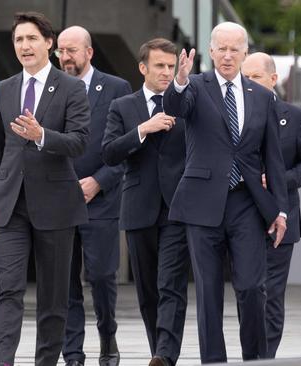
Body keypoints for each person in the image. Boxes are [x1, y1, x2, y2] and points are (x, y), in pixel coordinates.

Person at [163, 22, 288, 363]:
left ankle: (256, 359)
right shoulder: (194, 87)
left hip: (247, 202)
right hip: (202, 202)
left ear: (245, 52)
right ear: (212, 50)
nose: (228, 55)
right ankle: (213, 362)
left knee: (250, 287)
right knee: (208, 293)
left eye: (236, 49)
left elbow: (273, 158)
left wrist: (280, 210)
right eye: (222, 48)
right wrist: (179, 79)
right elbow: (175, 106)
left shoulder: (261, 96)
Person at [0, 11, 90, 366]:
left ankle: (45, 362)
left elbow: (79, 142)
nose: (24, 46)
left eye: (31, 39)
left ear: (49, 43)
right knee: (8, 289)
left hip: (56, 206)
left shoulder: (72, 87)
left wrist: (41, 135)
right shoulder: (6, 88)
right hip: (9, 205)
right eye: (18, 40)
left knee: (53, 297)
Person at [102, 38, 188, 366]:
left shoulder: (186, 102)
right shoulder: (122, 107)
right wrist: (143, 129)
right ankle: (160, 352)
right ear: (143, 68)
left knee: (170, 285)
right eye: (160, 66)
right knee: (148, 292)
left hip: (178, 208)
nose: (167, 72)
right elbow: (109, 153)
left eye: (171, 66)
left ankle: (165, 354)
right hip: (139, 207)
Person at [55, 25, 131, 366]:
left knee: (101, 275)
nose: (66, 56)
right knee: (64, 280)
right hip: (58, 201)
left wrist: (99, 181)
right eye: (61, 50)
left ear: (89, 52)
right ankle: (72, 352)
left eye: (72, 50)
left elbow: (126, 149)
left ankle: (107, 336)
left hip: (101, 200)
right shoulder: (49, 89)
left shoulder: (116, 89)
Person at [241, 52, 301, 358]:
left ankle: (265, 358)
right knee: (248, 292)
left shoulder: (297, 117)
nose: (248, 83)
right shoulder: (232, 115)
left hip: (281, 216)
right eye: (244, 78)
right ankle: (252, 353)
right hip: (241, 217)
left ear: (273, 80)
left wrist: (277, 180)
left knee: (272, 295)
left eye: (255, 77)